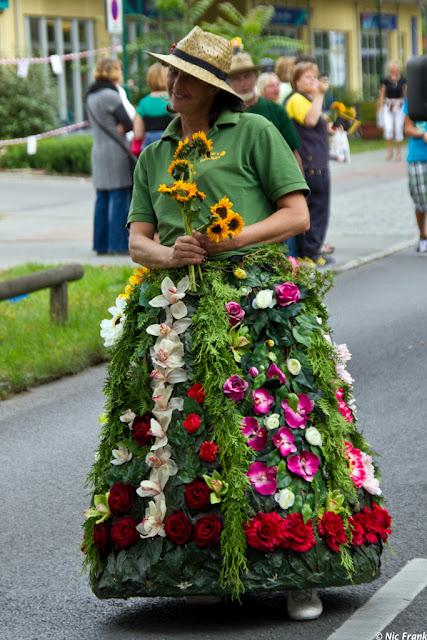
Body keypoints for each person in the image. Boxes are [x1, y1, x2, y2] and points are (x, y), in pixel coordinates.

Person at [83, 27, 391, 622]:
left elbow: (295, 212)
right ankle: (201, 566)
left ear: (210, 87)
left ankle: (304, 575)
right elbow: (138, 242)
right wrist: (170, 255)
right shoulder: (155, 154)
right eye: (170, 73)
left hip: (257, 301)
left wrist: (233, 239)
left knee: (276, 430)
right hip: (176, 308)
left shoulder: (253, 132)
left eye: (182, 76)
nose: (171, 84)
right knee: (190, 441)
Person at [228, 51, 302, 257]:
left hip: (275, 189)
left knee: (284, 255)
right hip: (241, 197)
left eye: (246, 76)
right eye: (236, 78)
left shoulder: (274, 111)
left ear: (254, 78)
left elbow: (293, 151)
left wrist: (298, 190)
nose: (242, 83)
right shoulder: (224, 114)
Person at [86, 58, 134, 255]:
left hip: (98, 151)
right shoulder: (110, 95)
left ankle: (101, 244)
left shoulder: (90, 95)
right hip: (116, 152)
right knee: (119, 197)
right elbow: (129, 123)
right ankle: (119, 244)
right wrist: (122, 126)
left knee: (102, 199)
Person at [286, 60, 332, 264]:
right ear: (296, 81)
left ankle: (312, 252)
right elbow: (310, 120)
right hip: (311, 164)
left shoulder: (306, 99)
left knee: (319, 210)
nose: (313, 80)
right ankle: (310, 255)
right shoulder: (296, 99)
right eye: (308, 77)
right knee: (316, 209)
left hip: (317, 162)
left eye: (315, 76)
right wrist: (320, 94)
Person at [403, 100, 427, 252]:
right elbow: (407, 128)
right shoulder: (414, 99)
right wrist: (423, 134)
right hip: (418, 158)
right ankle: (423, 235)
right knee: (421, 202)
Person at [133, 62, 172, 153]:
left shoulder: (143, 103)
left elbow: (138, 134)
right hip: (169, 147)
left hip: (149, 149)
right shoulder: (173, 101)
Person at [378, 62, 407, 161]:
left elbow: (405, 94)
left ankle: (398, 152)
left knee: (399, 128)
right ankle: (389, 151)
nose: (396, 70)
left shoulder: (403, 80)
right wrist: (380, 107)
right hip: (388, 106)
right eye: (394, 68)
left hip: (399, 107)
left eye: (397, 68)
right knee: (389, 128)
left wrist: (407, 105)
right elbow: (382, 94)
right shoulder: (385, 80)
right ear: (390, 70)